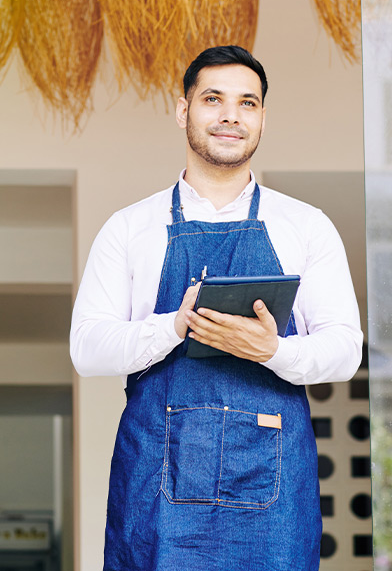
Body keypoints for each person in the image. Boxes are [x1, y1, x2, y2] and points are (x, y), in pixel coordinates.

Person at [70, 46, 363, 571]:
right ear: (184, 111)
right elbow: (87, 348)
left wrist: (273, 350)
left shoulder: (306, 225)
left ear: (262, 119)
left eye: (247, 103)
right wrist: (174, 326)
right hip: (157, 487)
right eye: (213, 99)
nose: (231, 115)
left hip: (272, 495)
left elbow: (344, 351)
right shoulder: (129, 227)